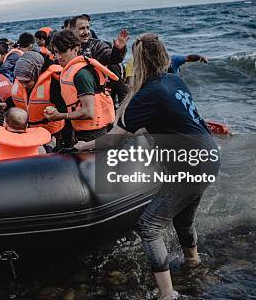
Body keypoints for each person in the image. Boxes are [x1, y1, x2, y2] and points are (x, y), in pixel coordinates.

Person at [75, 33, 220, 300]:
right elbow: (177, 71)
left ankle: (167, 294)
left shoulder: (147, 95)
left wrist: (84, 146)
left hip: (190, 164)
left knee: (149, 227)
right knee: (183, 220)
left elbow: (114, 139)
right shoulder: (173, 78)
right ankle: (194, 264)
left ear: (138, 61)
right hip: (209, 156)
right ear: (162, 56)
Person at [44, 30, 118, 142]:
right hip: (85, 130)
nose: (58, 56)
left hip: (94, 133)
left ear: (76, 49)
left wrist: (59, 116)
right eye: (56, 52)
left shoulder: (81, 75)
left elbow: (88, 112)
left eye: (63, 52)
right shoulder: (72, 71)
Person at [11, 51, 66, 138]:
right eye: (21, 82)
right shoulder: (20, 77)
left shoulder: (54, 83)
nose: (24, 85)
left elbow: (65, 108)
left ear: (36, 73)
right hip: (29, 130)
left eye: (27, 82)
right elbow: (21, 99)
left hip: (51, 132)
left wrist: (55, 111)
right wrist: (7, 103)